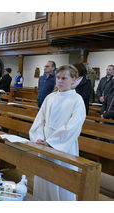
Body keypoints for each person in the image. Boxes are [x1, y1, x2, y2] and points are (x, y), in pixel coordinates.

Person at [29, 64, 86, 201]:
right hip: (44, 144)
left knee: (61, 182)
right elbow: (39, 121)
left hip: (63, 146)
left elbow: (73, 127)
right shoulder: (50, 97)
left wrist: (51, 142)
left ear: (74, 79)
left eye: (64, 78)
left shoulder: (77, 100)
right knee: (44, 180)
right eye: (58, 78)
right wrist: (39, 138)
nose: (60, 81)